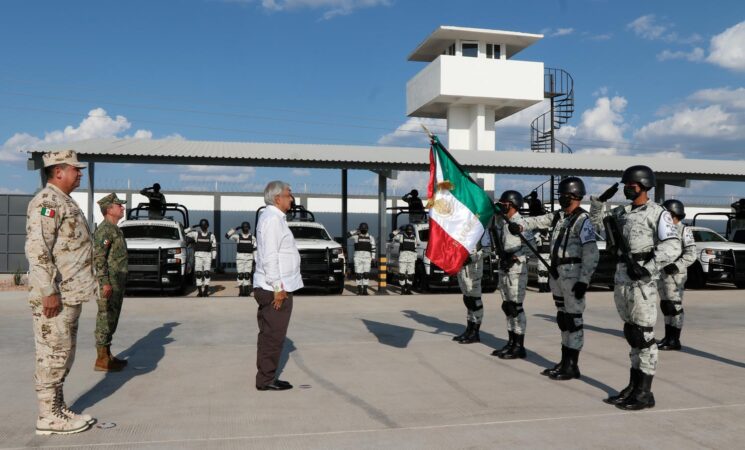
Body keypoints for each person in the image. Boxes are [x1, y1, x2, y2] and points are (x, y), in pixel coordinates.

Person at [590, 165, 680, 410]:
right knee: (631, 333)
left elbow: (672, 246)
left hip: (642, 279)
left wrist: (648, 268)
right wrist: (598, 203)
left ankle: (645, 392)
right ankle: (633, 385)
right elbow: (597, 227)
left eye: (631, 185)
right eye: (626, 185)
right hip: (622, 278)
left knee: (643, 335)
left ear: (643, 186)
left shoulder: (657, 213)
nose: (627, 189)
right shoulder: (622, 212)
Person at [25, 150, 96, 435]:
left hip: (71, 293)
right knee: (52, 353)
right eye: (75, 170)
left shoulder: (64, 201)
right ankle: (47, 416)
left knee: (63, 353)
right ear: (58, 172)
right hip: (56, 295)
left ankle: (57, 407)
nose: (80, 174)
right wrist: (47, 291)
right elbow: (38, 249)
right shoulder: (47, 202)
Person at [515, 177, 599, 379]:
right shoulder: (559, 217)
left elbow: (591, 253)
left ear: (574, 196)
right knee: (563, 318)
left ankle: (572, 365)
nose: (560, 198)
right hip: (557, 274)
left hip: (573, 275)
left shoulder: (583, 221)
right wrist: (519, 225)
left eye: (563, 195)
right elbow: (537, 220)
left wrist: (583, 281)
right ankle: (564, 361)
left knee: (573, 320)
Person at [253, 180, 303, 391]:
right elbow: (270, 257)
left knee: (271, 334)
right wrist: (277, 288)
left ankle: (267, 376)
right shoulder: (272, 220)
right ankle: (266, 380)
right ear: (277, 198)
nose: (291, 198)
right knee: (273, 336)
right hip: (274, 288)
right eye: (288, 194)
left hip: (277, 285)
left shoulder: (275, 218)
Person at [492, 190, 534, 359]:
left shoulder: (521, 223)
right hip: (505, 266)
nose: (501, 206)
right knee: (507, 306)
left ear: (511, 204)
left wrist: (515, 257)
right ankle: (510, 342)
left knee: (516, 307)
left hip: (516, 268)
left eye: (504, 203)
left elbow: (531, 247)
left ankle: (519, 345)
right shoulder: (503, 222)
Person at [93, 193, 129, 372]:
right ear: (109, 209)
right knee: (105, 318)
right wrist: (104, 282)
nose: (122, 208)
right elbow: (99, 258)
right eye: (118, 205)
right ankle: (101, 359)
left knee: (112, 318)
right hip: (109, 282)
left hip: (117, 281)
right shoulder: (105, 230)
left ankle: (107, 355)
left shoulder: (116, 229)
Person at [657, 200, 697, 351]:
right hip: (662, 274)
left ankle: (675, 339)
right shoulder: (663, 230)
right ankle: (668, 337)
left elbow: (691, 254)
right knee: (666, 306)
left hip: (675, 275)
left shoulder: (683, 230)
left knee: (675, 307)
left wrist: (676, 265)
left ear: (672, 214)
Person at [452, 244, 484, 344]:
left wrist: (471, 258)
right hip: (462, 268)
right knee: (468, 300)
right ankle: (469, 330)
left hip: (473, 269)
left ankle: (475, 332)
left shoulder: (480, 230)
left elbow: (487, 250)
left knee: (475, 301)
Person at [185, 219, 217, 297]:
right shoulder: (196, 234)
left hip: (207, 256)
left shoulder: (211, 235)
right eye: (202, 226)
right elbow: (185, 232)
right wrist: (193, 226)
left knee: (207, 273)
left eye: (205, 226)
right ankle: (200, 292)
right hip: (198, 255)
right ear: (200, 226)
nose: (204, 227)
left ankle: (205, 291)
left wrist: (214, 258)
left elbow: (214, 247)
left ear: (207, 226)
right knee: (198, 274)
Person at [225, 222, 257, 297]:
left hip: (249, 257)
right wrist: (235, 229)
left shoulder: (252, 238)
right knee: (240, 275)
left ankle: (246, 291)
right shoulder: (237, 237)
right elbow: (227, 235)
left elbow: (255, 249)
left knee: (247, 275)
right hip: (240, 257)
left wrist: (256, 259)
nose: (245, 229)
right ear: (242, 228)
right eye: (244, 227)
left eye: (246, 227)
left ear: (249, 228)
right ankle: (241, 291)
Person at [347, 222, 376, 296]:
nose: (363, 230)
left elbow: (373, 248)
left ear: (367, 229)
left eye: (364, 229)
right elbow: (346, 235)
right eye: (362, 229)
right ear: (360, 229)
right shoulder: (356, 236)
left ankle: (365, 290)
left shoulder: (370, 237)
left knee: (366, 274)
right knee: (358, 275)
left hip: (367, 258)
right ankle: (360, 290)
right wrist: (355, 231)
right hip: (358, 257)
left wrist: (373, 258)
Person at [391, 224, 419, 295]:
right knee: (402, 275)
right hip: (403, 258)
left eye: (411, 230)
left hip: (411, 259)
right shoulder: (401, 236)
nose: (410, 232)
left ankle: (408, 290)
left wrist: (415, 259)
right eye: (408, 230)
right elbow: (391, 236)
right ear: (406, 230)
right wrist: (398, 230)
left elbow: (415, 249)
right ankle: (402, 290)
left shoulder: (414, 238)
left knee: (411, 275)